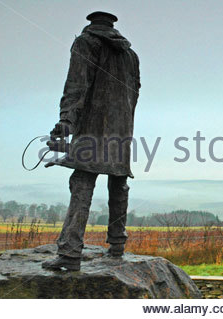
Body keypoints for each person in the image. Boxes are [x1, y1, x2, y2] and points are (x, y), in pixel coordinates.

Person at [42, 11, 141, 271]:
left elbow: (76, 85)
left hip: (93, 128)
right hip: (122, 130)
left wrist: (66, 121)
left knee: (82, 183)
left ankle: (70, 254)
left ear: (92, 23)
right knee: (118, 184)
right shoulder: (130, 55)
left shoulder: (86, 42)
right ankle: (117, 245)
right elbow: (136, 93)